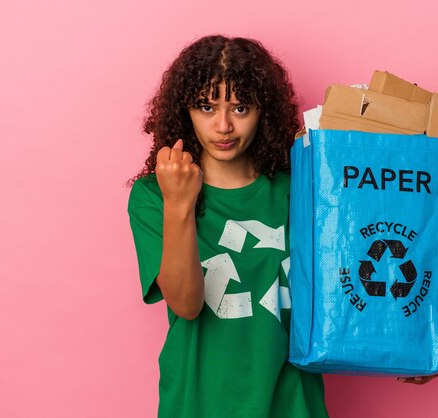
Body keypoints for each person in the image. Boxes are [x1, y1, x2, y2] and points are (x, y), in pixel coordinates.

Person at [127, 35, 329, 417]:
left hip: (293, 404)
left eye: (240, 108)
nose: (223, 125)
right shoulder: (154, 195)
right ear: (184, 110)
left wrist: (408, 343)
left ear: (262, 111)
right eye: (206, 106)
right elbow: (186, 305)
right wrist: (179, 203)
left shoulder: (302, 188)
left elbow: (347, 282)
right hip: (199, 403)